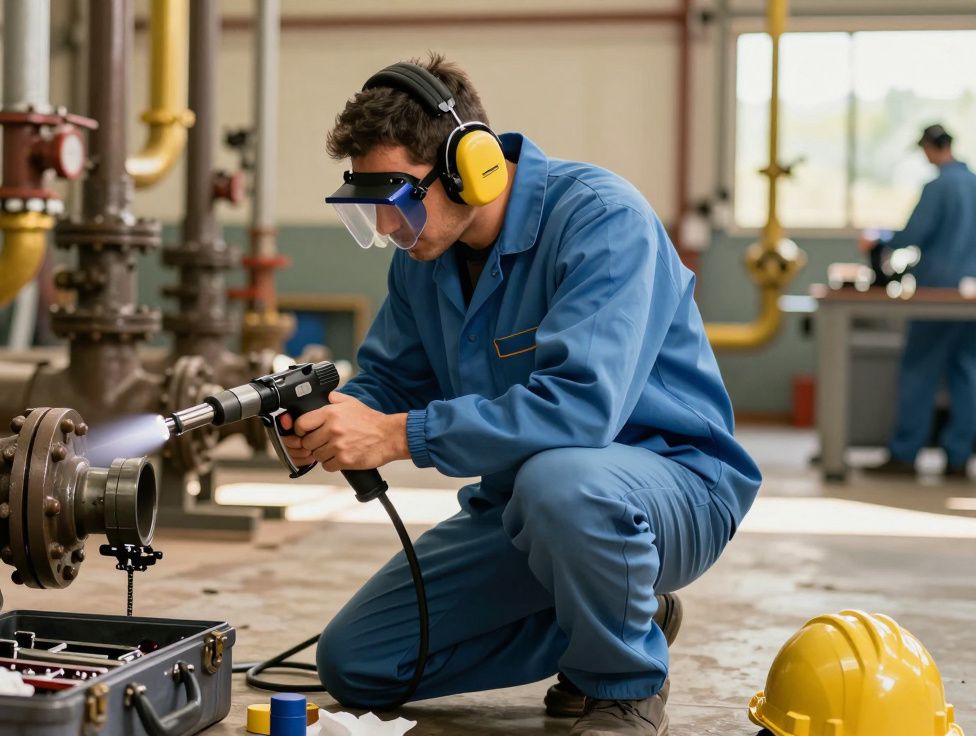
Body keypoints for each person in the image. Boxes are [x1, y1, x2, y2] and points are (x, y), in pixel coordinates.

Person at [280, 54, 761, 736]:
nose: (387, 229)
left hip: (670, 491)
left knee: (563, 482)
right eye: (370, 208)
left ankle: (621, 685)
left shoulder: (601, 221)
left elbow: (579, 408)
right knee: (357, 664)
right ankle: (623, 610)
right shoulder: (424, 258)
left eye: (395, 200)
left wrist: (396, 436)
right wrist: (332, 415)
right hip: (527, 510)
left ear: (466, 165)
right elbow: (390, 380)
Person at [861, 124, 976, 479]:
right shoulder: (973, 183)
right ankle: (959, 457)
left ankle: (905, 453)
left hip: (935, 292)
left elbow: (914, 233)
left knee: (918, 370)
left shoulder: (938, 186)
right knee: (966, 373)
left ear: (929, 147)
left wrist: (879, 239)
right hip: (970, 296)